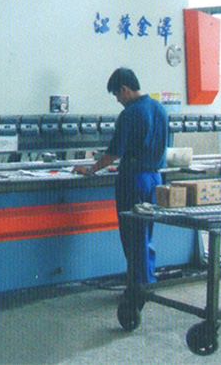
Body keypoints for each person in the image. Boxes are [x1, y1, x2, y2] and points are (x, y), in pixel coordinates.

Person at [74, 67, 168, 284]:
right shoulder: (160, 109)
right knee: (145, 234)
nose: (118, 100)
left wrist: (90, 170)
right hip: (154, 179)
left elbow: (113, 153)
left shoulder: (130, 113)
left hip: (133, 181)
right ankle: (147, 281)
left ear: (125, 89)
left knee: (133, 236)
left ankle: (137, 288)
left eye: (117, 95)